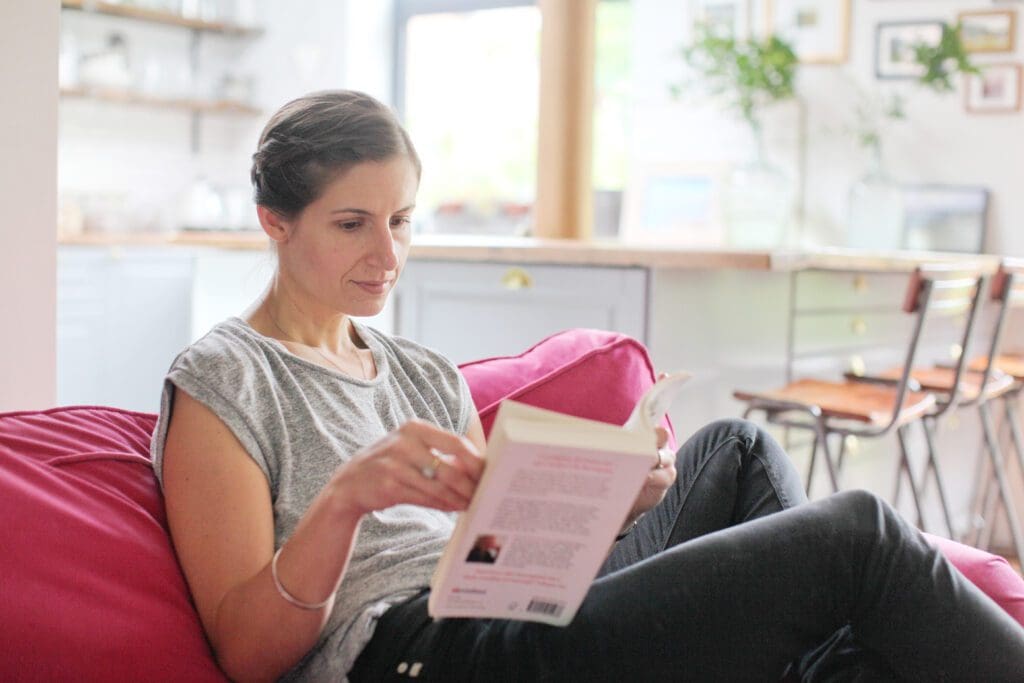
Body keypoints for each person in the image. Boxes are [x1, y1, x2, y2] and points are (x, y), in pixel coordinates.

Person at [152, 90, 1024, 682]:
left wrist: (608, 505)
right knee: (855, 533)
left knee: (737, 448)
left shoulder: (418, 370)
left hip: (506, 615)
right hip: (418, 653)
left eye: (402, 221)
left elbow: (497, 559)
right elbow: (246, 653)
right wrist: (346, 499)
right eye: (352, 224)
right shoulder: (228, 376)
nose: (388, 254)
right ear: (274, 221)